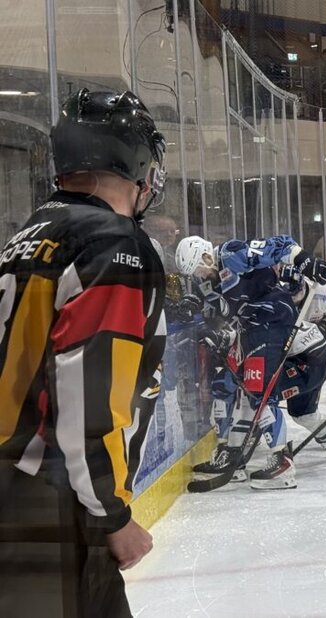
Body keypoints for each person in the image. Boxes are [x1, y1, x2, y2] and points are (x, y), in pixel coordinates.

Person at [0, 89, 167, 615]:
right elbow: (87, 401)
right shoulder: (112, 242)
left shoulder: (27, 234)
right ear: (138, 163)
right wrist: (111, 516)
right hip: (53, 505)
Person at [175, 233, 326, 489]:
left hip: (273, 321)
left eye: (199, 271)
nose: (200, 277)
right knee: (246, 391)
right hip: (252, 328)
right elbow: (223, 311)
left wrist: (305, 260)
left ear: (206, 256)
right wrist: (197, 308)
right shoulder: (208, 281)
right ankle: (235, 455)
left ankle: (282, 461)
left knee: (259, 389)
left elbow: (279, 243)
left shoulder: (230, 255)